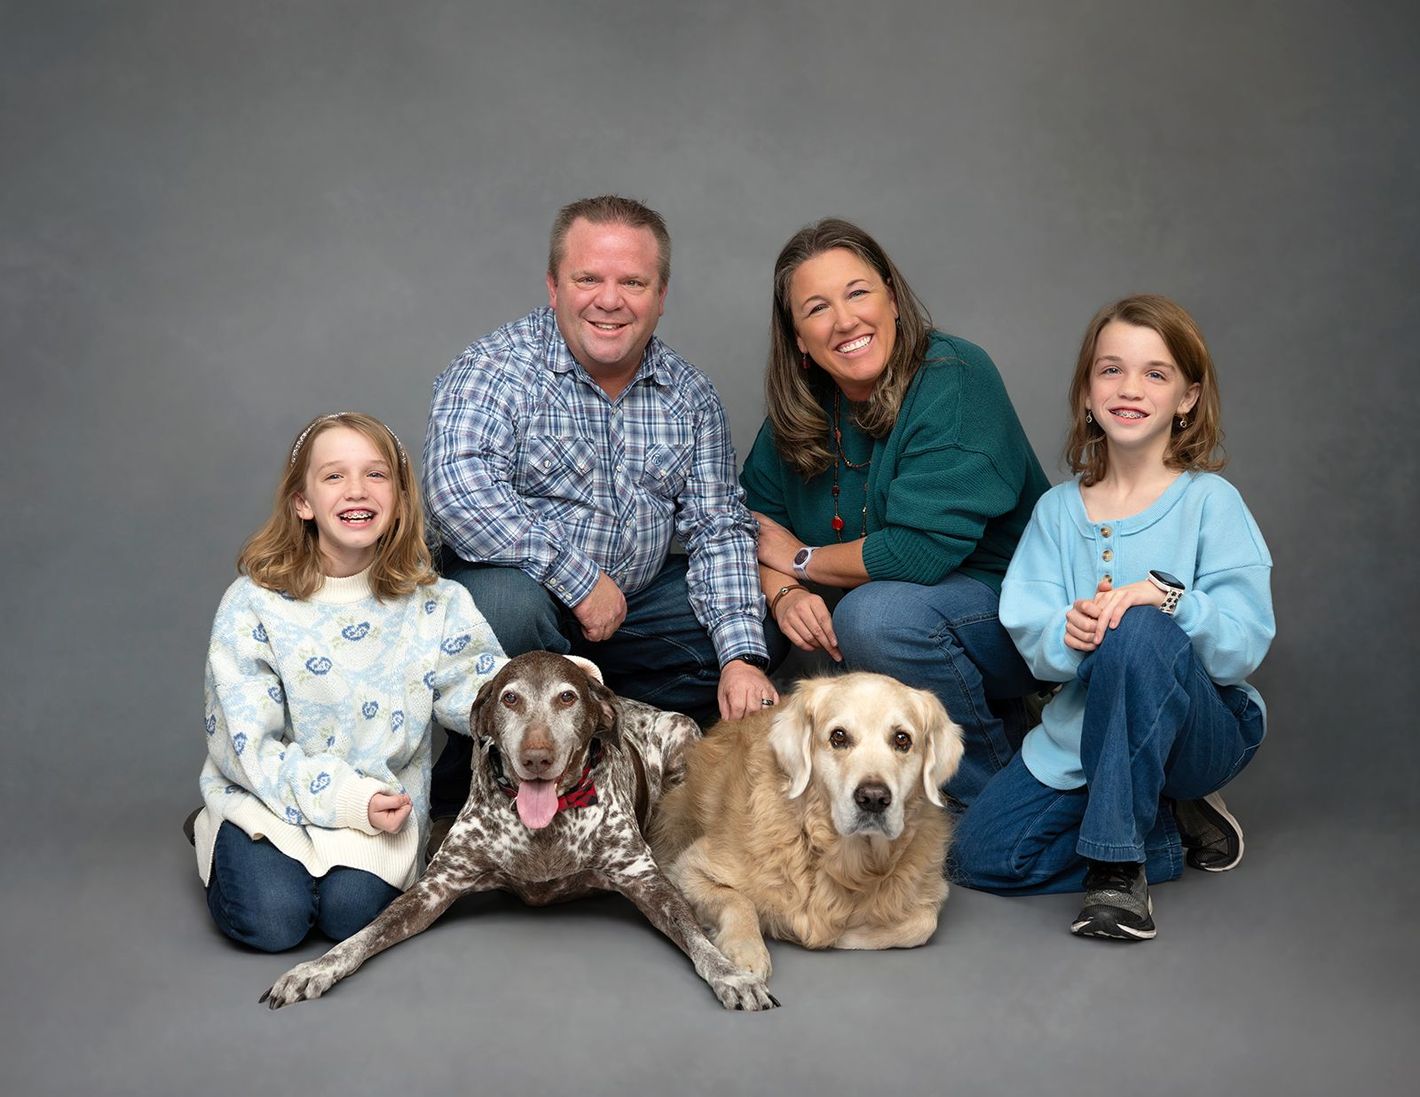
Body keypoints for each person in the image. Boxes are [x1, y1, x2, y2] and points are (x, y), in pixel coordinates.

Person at [422, 195, 773, 819]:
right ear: (554, 286)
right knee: (498, 605)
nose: (609, 300)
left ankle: (605, 733)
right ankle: (508, 761)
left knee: (753, 630)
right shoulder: (494, 369)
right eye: (588, 278)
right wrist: (580, 582)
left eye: (632, 282)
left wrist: (741, 659)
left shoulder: (691, 397)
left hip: (633, 619)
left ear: (660, 295)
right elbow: (457, 493)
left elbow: (718, 528)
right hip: (530, 613)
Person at [951, 295, 1274, 942]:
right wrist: (1066, 637)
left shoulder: (1211, 502)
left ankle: (1118, 870)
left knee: (1139, 626)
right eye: (1111, 370)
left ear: (1187, 396)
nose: (1130, 388)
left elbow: (1242, 645)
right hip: (1086, 729)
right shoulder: (1057, 512)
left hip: (1199, 730)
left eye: (1155, 373)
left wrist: (1170, 600)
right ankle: (1163, 834)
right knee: (976, 856)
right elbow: (1033, 632)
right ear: (1087, 390)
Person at [740, 218, 1049, 806]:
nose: (846, 320)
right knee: (719, 603)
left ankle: (998, 799)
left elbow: (917, 551)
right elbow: (746, 525)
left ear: (893, 299)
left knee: (875, 618)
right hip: (875, 610)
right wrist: (783, 591)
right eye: (817, 308)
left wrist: (800, 560)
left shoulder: (954, 378)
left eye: (858, 293)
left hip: (1004, 619)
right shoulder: (802, 408)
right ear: (799, 338)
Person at [193, 412, 504, 952]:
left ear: (400, 498)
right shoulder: (253, 605)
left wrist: (557, 683)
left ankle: (325, 873)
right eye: (334, 476)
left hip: (381, 809)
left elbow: (482, 693)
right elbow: (250, 746)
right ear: (303, 503)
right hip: (270, 797)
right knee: (274, 923)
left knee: (350, 918)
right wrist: (344, 798)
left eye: (376, 475)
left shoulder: (436, 602)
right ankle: (216, 835)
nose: (356, 491)